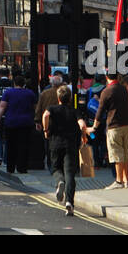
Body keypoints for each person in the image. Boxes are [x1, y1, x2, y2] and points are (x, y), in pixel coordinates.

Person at [42, 85, 88, 216]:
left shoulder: (52, 108)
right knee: (70, 173)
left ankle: (59, 181)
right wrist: (84, 137)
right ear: (69, 98)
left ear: (58, 98)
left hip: (55, 144)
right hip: (70, 145)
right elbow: (83, 125)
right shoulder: (74, 111)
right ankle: (69, 203)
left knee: (56, 169)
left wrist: (46, 131)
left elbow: (45, 116)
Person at [95, 72, 128, 189]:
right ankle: (126, 180)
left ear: (106, 78)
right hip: (127, 124)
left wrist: (94, 127)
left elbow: (100, 111)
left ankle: (118, 181)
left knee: (117, 154)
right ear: (117, 77)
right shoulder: (123, 89)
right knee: (125, 152)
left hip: (114, 125)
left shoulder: (106, 91)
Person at [0, 75, 37, 174]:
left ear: (14, 83)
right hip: (26, 123)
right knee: (24, 146)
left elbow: (2, 107)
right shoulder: (30, 93)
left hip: (11, 122)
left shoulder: (8, 92)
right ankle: (22, 168)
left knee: (10, 146)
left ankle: (10, 168)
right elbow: (35, 107)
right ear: (24, 84)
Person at [34, 75, 64, 173]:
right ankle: (59, 164)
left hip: (47, 123)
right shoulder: (64, 93)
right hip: (61, 123)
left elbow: (39, 108)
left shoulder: (44, 94)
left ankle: (51, 165)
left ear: (51, 83)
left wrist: (37, 121)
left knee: (48, 145)